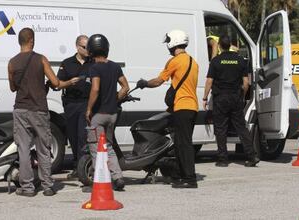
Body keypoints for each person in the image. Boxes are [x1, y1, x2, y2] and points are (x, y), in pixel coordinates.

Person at [8, 28, 79, 197]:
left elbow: (12, 88)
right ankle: (47, 186)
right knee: (43, 148)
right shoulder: (41, 59)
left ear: (20, 41)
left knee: (23, 149)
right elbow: (56, 83)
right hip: (38, 109)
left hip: (20, 109)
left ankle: (27, 188)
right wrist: (70, 81)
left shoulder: (12, 63)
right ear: (31, 40)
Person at [137, 30, 199, 188]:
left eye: (168, 42)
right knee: (180, 142)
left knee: (183, 144)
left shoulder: (175, 61)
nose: (167, 47)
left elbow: (158, 81)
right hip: (192, 107)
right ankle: (178, 174)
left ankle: (190, 179)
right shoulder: (193, 62)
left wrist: (144, 83)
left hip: (182, 107)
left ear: (174, 42)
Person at [202, 35, 260, 168]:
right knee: (241, 128)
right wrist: (242, 96)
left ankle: (223, 159)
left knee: (221, 129)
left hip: (220, 98)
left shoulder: (216, 61)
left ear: (220, 46)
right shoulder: (240, 60)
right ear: (230, 45)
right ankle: (252, 156)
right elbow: (246, 83)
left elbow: (209, 81)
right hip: (235, 97)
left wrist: (205, 98)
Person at [85, 34, 129, 191]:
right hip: (112, 114)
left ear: (90, 50)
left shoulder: (94, 68)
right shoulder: (115, 66)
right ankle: (118, 177)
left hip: (98, 115)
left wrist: (89, 109)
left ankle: (99, 182)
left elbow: (95, 88)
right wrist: (114, 99)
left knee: (96, 148)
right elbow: (125, 87)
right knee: (109, 146)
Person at [57, 35, 93, 179]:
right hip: (71, 104)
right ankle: (76, 165)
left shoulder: (93, 62)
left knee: (83, 136)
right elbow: (58, 82)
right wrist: (69, 82)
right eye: (85, 47)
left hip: (86, 103)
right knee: (72, 136)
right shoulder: (67, 63)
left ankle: (82, 167)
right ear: (77, 47)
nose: (88, 50)